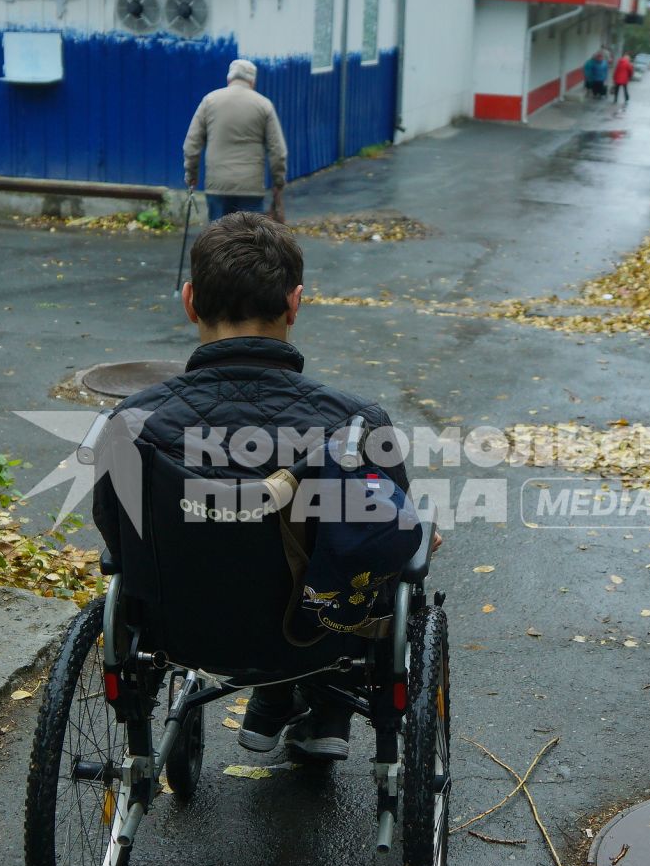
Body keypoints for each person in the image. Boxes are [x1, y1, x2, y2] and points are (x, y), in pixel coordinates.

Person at [90, 213, 432, 762]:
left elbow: (115, 525)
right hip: (317, 636)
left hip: (176, 629)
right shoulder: (355, 423)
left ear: (190, 300)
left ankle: (276, 704)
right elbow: (378, 539)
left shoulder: (134, 419)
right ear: (295, 303)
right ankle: (322, 706)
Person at [183, 59, 288, 222]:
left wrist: (191, 175)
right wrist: (278, 182)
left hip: (217, 186)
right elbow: (278, 151)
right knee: (249, 242)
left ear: (229, 79)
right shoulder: (264, 105)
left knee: (218, 241)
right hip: (251, 187)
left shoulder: (209, 101)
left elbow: (191, 145)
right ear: (252, 81)